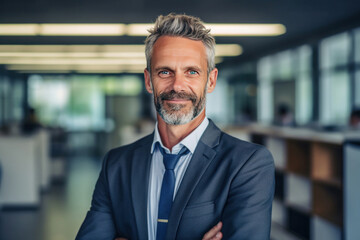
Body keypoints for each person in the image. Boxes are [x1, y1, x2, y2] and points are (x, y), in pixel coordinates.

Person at [76, 13, 275, 240]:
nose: (177, 85)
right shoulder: (117, 164)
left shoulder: (248, 164)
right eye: (164, 72)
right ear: (149, 80)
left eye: (191, 72)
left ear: (210, 80)